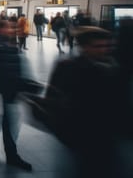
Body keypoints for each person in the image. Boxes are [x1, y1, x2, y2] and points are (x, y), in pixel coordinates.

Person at [39, 26, 126, 177]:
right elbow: (52, 98)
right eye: (98, 46)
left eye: (107, 46)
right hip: (80, 133)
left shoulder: (114, 68)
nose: (104, 50)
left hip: (107, 134)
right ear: (84, 47)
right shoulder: (68, 68)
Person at [0, 19, 33, 171]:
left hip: (11, 90)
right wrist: (24, 86)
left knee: (7, 118)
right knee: (12, 122)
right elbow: (7, 72)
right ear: (0, 30)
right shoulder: (4, 46)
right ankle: (11, 155)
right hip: (10, 91)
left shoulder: (8, 43)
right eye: (9, 27)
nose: (12, 29)